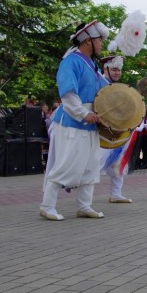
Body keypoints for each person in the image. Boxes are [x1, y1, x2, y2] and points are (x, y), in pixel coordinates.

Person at [40, 20, 110, 220]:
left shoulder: (93, 66)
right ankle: (47, 205)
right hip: (72, 120)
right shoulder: (71, 61)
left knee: (89, 166)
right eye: (100, 40)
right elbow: (68, 92)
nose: (102, 44)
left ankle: (84, 205)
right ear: (88, 41)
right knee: (66, 164)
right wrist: (82, 113)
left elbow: (107, 91)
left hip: (90, 123)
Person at [98, 55, 133, 203]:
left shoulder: (118, 88)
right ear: (105, 69)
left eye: (119, 70)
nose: (117, 73)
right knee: (94, 164)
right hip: (98, 132)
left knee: (118, 162)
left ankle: (116, 194)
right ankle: (84, 200)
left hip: (116, 131)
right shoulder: (97, 82)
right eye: (114, 69)